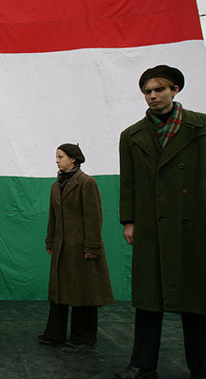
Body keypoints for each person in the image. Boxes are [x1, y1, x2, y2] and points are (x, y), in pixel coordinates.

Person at [114, 65, 206, 379]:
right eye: (147, 91)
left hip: (194, 223)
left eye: (159, 90)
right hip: (151, 224)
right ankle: (142, 364)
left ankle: (200, 365)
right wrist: (129, 220)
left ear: (175, 90)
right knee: (148, 299)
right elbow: (128, 183)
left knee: (196, 299)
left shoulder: (200, 127)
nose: (152, 96)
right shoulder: (132, 135)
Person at [38, 144, 114, 349]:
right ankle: (55, 333)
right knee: (59, 291)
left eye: (60, 157)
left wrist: (92, 246)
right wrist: (50, 240)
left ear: (73, 159)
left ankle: (83, 336)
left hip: (81, 248)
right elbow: (53, 217)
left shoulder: (87, 183)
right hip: (62, 248)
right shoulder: (56, 186)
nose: (57, 160)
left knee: (84, 292)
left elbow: (94, 217)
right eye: (57, 157)